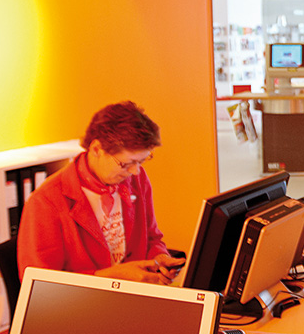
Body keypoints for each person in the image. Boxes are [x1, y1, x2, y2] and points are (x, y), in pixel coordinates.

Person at [16, 101, 184, 284]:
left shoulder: (136, 179)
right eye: (126, 163)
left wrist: (160, 258)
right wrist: (111, 277)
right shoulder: (47, 201)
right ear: (96, 149)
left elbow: (151, 237)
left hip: (131, 294)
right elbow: (40, 284)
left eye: (142, 161)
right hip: (81, 301)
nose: (135, 171)